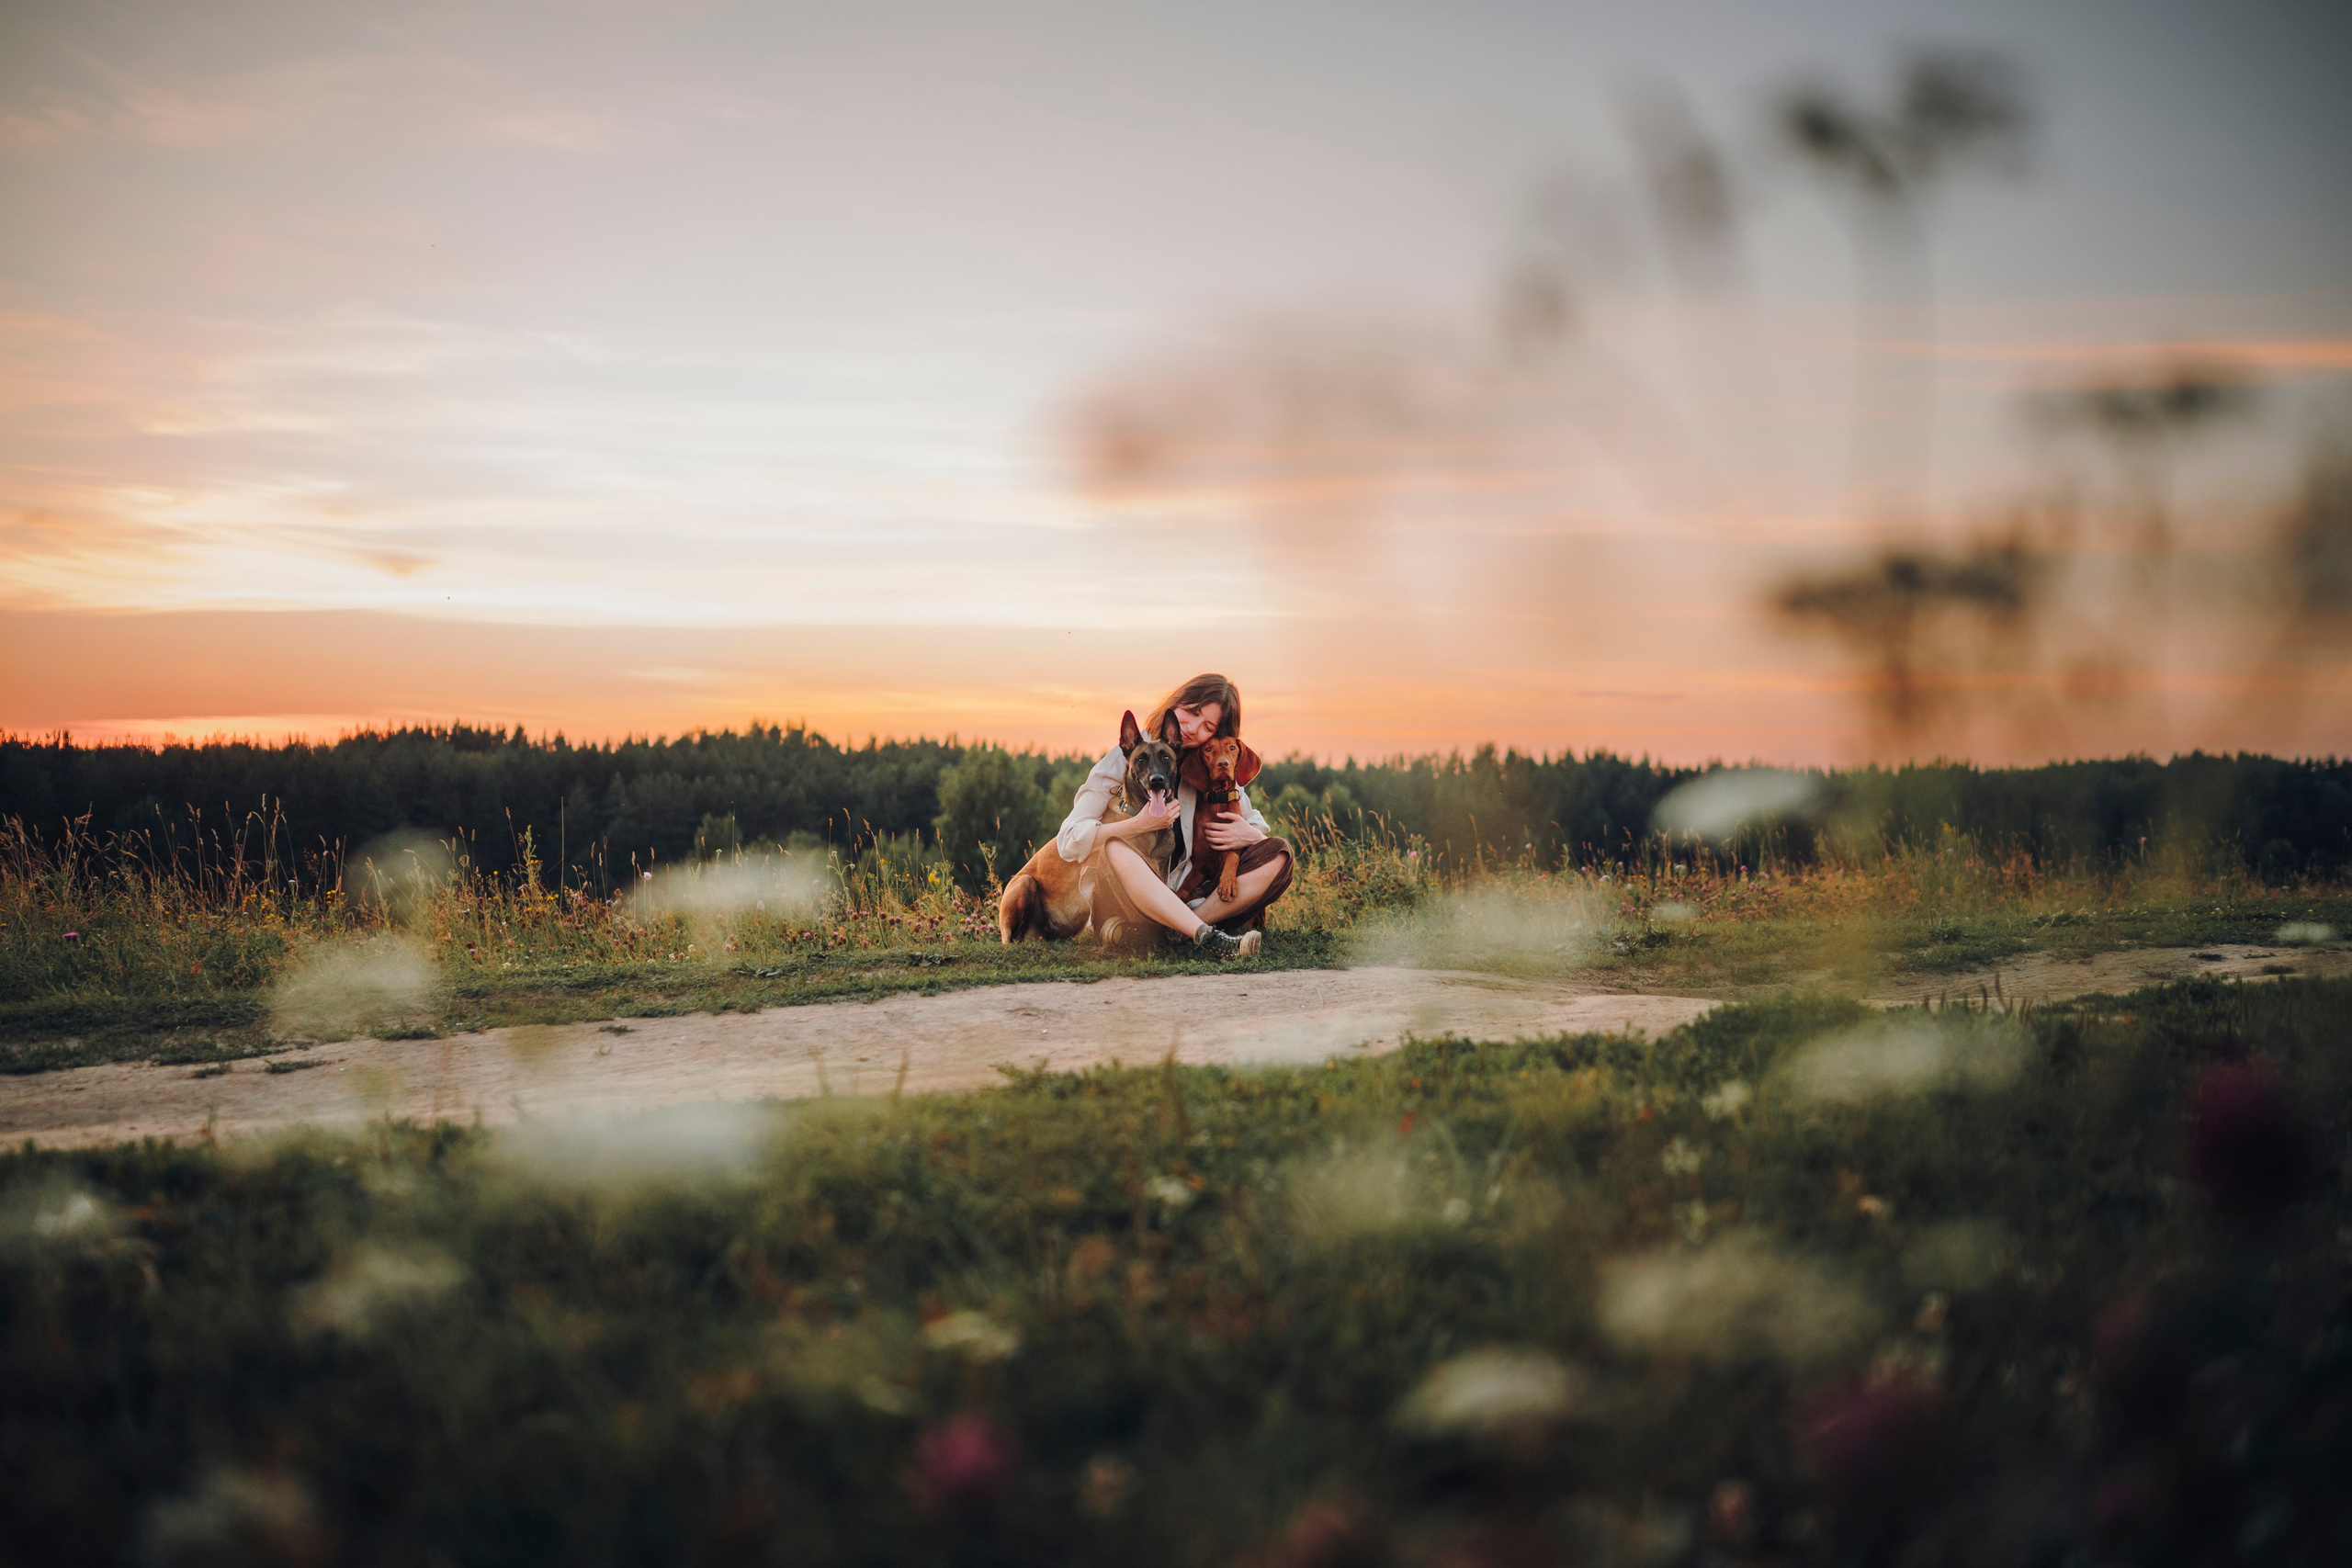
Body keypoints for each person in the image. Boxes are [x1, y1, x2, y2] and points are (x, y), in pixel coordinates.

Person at [1052, 673, 1295, 958]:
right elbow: (1068, 839)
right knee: (1116, 847)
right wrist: (1138, 824)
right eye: (1192, 712)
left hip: (1189, 897)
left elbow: (1252, 822)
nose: (1193, 728)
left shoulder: (1208, 766)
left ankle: (1183, 931)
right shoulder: (1127, 757)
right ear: (1176, 703)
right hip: (1129, 899)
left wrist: (1249, 835)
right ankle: (1203, 934)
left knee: (1280, 853)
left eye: (1208, 726)